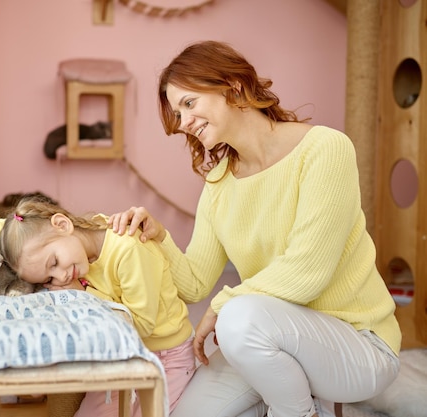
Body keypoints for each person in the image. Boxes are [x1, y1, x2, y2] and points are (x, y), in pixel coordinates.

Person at [108, 40, 401, 417]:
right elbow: (195, 283)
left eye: (189, 104)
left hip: (359, 344)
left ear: (234, 86)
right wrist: (159, 236)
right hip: (269, 336)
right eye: (177, 113)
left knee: (237, 319)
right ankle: (289, 396)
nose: (183, 123)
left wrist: (223, 305)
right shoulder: (219, 183)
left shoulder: (325, 148)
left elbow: (307, 272)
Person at [0, 198, 196, 417]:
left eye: (54, 263)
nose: (61, 277)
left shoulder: (129, 249)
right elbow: (4, 227)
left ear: (63, 225)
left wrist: (84, 294)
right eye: (49, 276)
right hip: (122, 358)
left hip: (166, 358)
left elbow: (139, 327)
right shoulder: (72, 246)